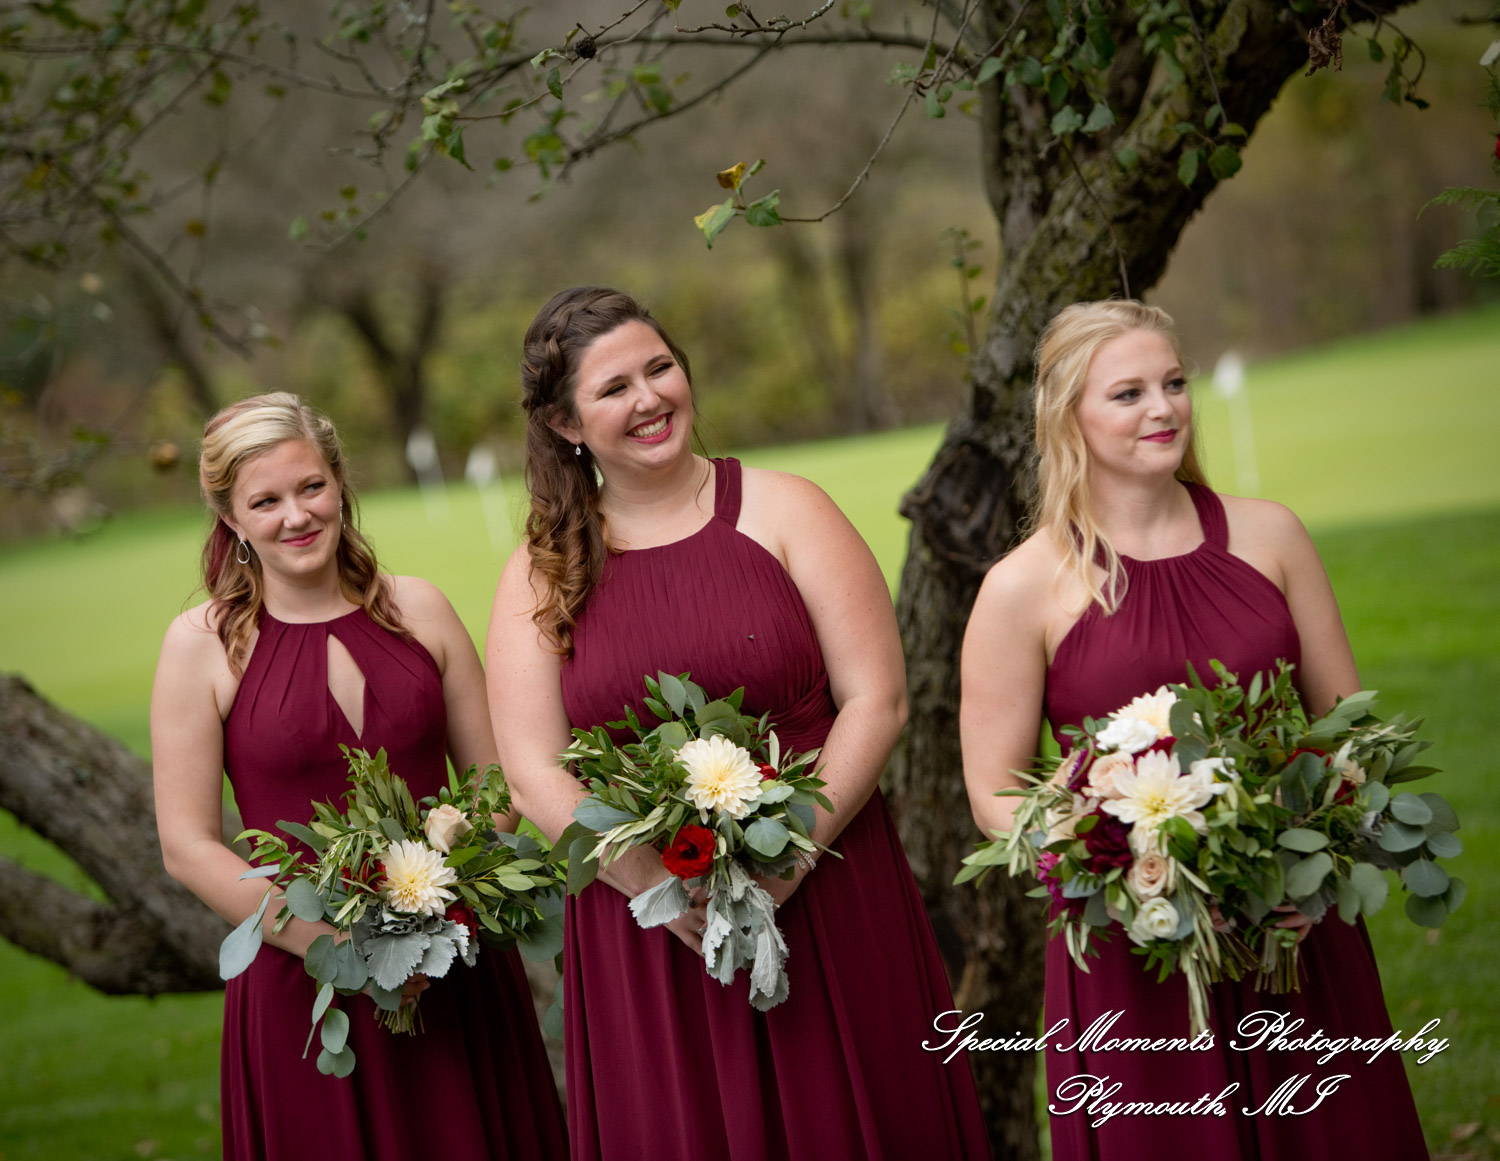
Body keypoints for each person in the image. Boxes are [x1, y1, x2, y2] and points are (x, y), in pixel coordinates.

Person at [486, 287, 990, 1160]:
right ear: (567, 423)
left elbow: (878, 698)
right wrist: (652, 881)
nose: (650, 398)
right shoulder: (540, 572)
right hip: (648, 925)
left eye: (660, 368)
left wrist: (793, 854)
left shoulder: (788, 509)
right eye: (614, 388)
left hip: (829, 886)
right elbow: (532, 768)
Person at [959, 301, 1429, 1160]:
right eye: (1129, 392)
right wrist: (1121, 869)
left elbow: (1347, 732)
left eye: (1173, 383)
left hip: (1291, 921)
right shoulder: (1022, 586)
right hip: (1132, 947)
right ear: (1069, 417)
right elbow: (995, 794)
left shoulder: (1270, 535)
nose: (1164, 408)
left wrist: (1309, 848)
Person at [151, 393, 567, 1161]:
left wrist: (437, 916)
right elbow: (187, 844)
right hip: (303, 981)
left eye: (310, 487)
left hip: (452, 965)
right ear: (231, 517)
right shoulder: (200, 647)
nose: (295, 515)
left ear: (340, 481)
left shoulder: (422, 610)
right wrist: (341, 945)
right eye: (264, 501)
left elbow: (495, 786)